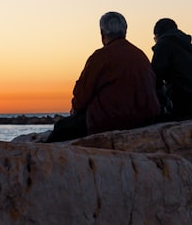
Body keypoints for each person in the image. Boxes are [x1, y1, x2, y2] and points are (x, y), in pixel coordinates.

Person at [45, 12, 160, 142]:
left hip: (111, 120)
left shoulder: (101, 57)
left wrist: (76, 109)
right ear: (125, 31)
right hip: (145, 118)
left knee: (61, 128)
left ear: (102, 33)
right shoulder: (140, 55)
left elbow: (83, 93)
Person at [151, 18, 192, 121]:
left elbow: (154, 77)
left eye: (155, 38)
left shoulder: (164, 44)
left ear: (158, 35)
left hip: (180, 109)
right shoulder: (190, 49)